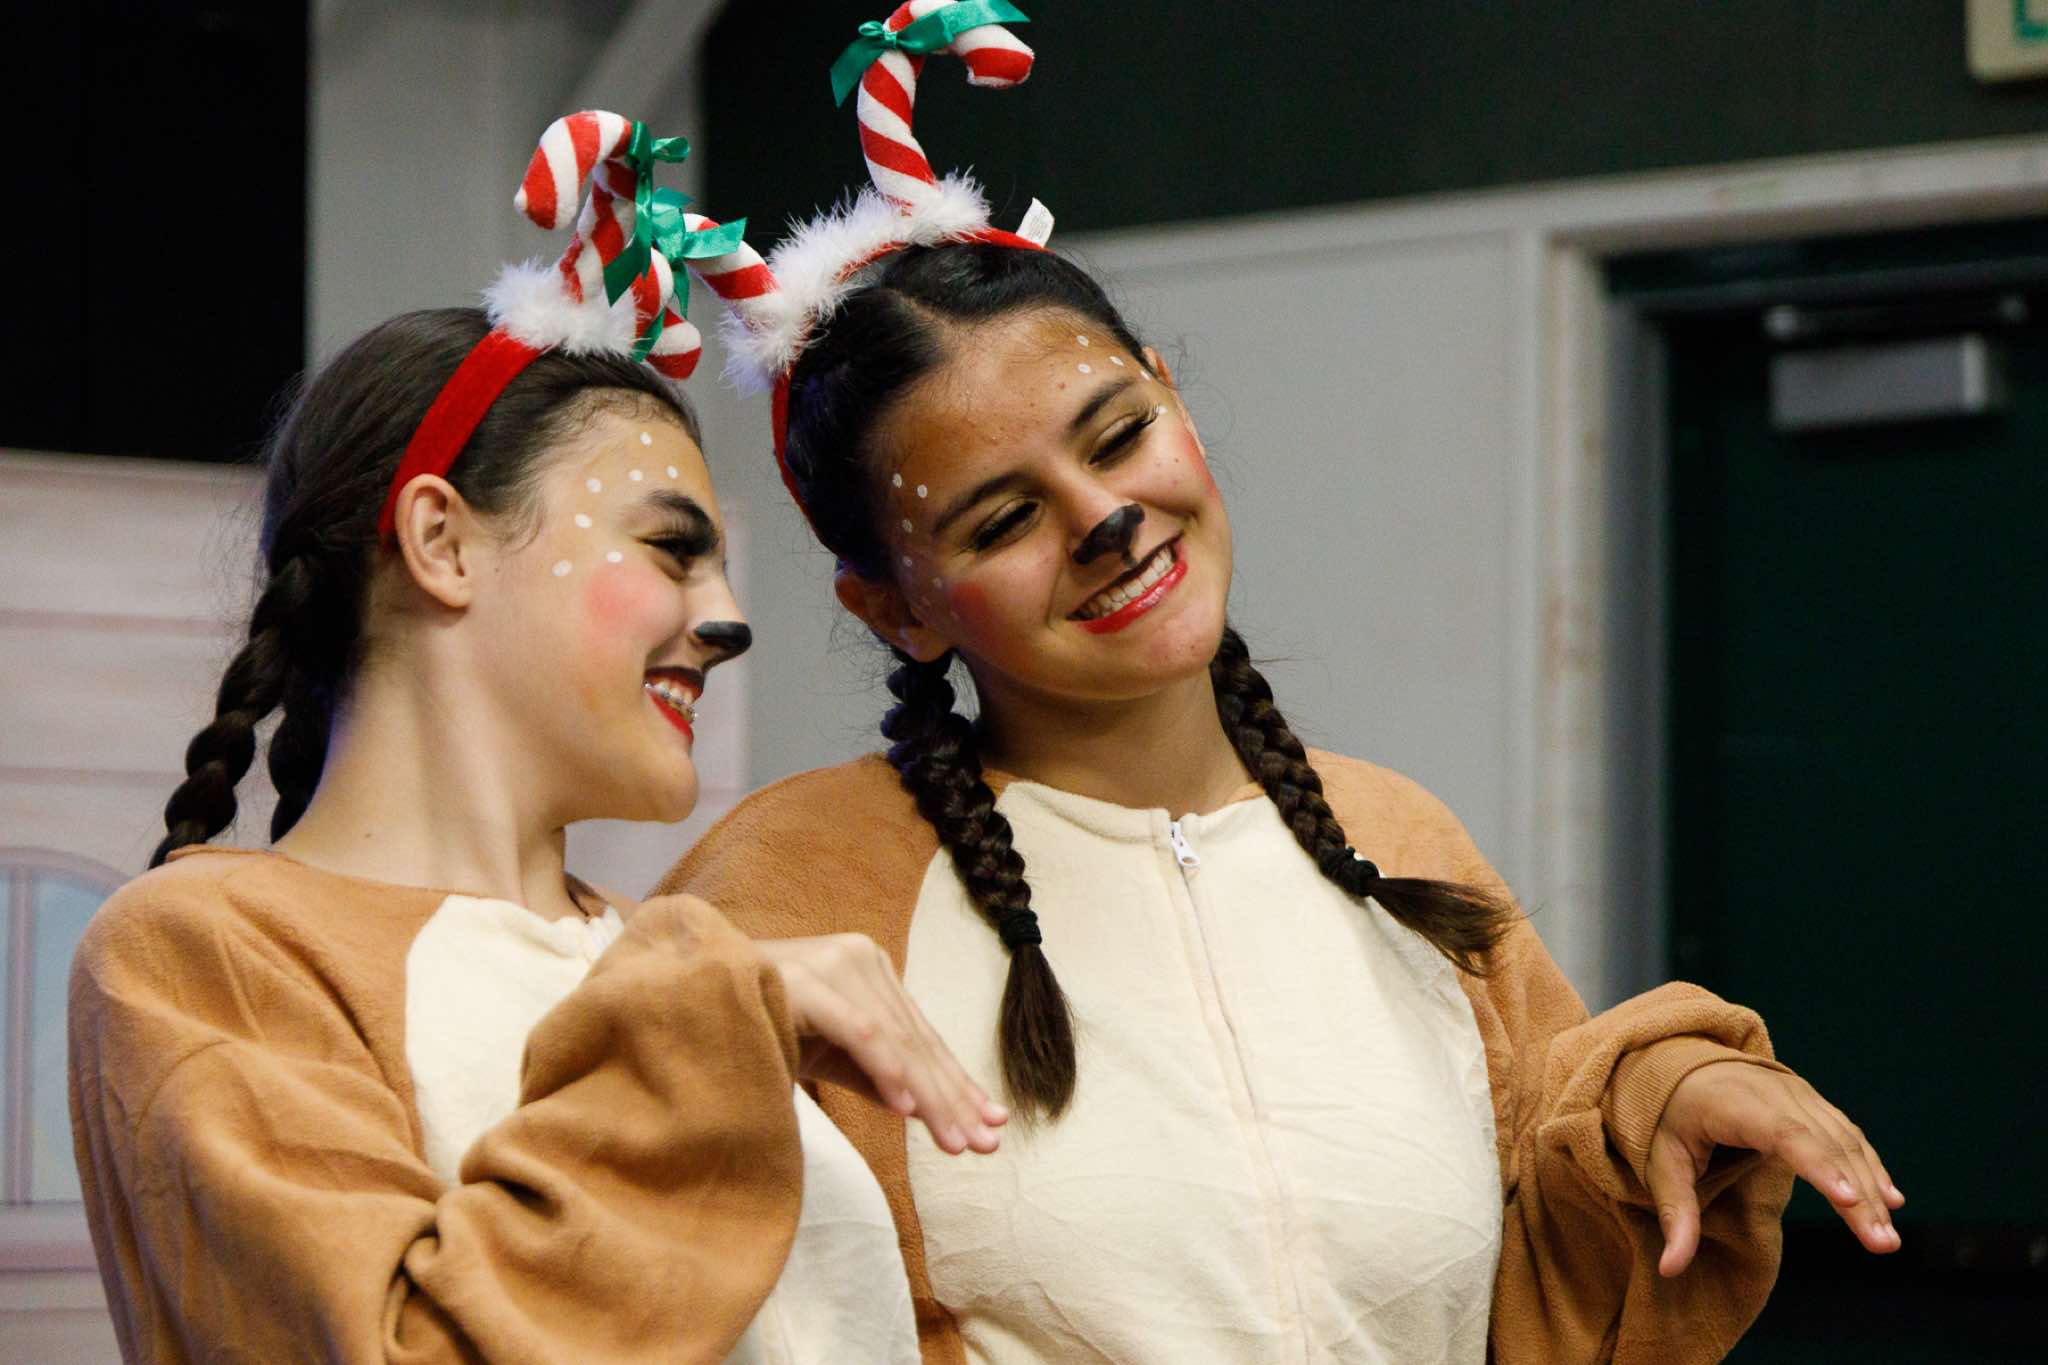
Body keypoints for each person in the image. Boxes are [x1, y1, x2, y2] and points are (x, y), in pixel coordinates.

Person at [662, 10, 1902, 1362]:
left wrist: (1660, 1094)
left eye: (1118, 435)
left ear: (1174, 401)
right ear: (896, 609)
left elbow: (1549, 1258)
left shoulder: (1400, 840)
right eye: (1002, 518)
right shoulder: (791, 891)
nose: (1104, 518)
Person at [68, 111, 1002, 1363]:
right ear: (441, 542)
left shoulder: (683, 963)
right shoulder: (206, 947)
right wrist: (704, 1024)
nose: (726, 619)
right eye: (669, 548)